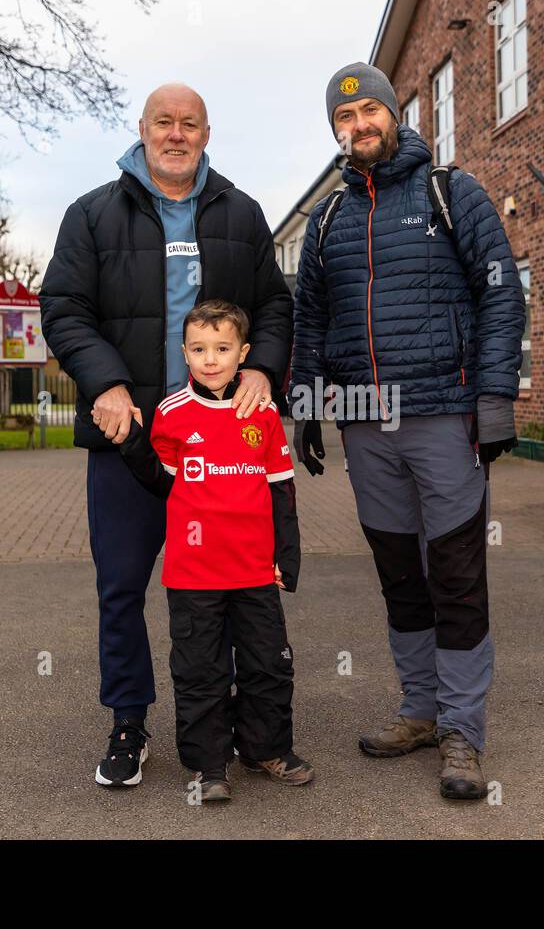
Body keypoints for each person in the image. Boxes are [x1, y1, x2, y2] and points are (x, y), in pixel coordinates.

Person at [40, 83, 291, 787]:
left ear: (206, 134)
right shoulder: (91, 215)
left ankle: (243, 723)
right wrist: (107, 383)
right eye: (163, 123)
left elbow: (274, 304)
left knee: (237, 588)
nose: (175, 134)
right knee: (121, 587)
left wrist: (265, 369)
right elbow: (63, 308)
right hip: (132, 443)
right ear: (142, 130)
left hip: (225, 450)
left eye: (189, 124)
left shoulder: (241, 214)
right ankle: (128, 719)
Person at [290, 62, 525, 800]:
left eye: (369, 115)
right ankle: (420, 710)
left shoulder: (452, 194)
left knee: (455, 575)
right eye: (344, 122)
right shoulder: (327, 220)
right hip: (365, 426)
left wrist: (492, 402)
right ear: (336, 131)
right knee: (400, 579)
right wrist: (305, 405)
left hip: (444, 418)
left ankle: (462, 729)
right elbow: (310, 320)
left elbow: (501, 299)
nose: (359, 129)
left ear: (394, 114)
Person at [119, 300, 311, 802]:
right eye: (199, 348)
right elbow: (161, 483)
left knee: (267, 664)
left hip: (253, 571)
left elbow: (281, 488)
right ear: (184, 352)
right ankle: (208, 766)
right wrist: (134, 443)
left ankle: (266, 748)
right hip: (194, 574)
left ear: (242, 352)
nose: (210, 359)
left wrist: (286, 558)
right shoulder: (171, 413)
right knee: (201, 670)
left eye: (222, 348)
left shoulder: (262, 413)